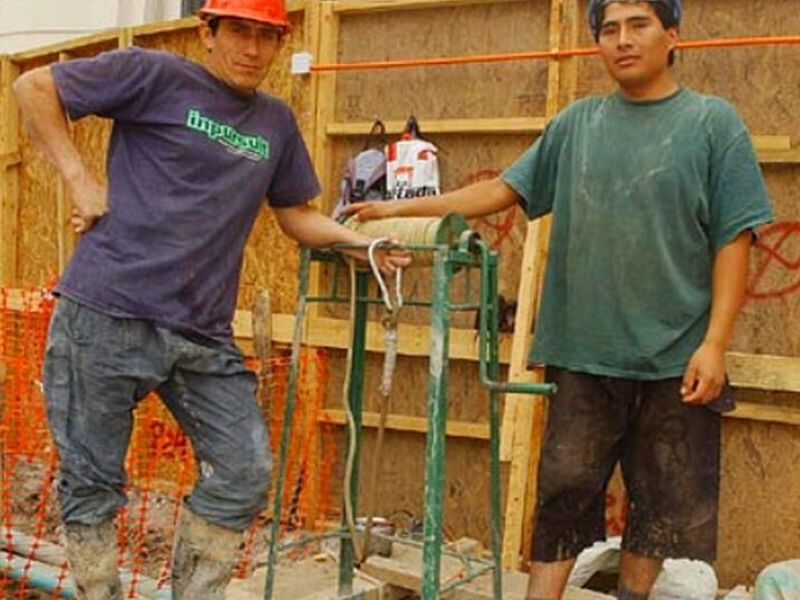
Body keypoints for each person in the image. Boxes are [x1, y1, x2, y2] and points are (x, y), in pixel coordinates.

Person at [343, 1, 773, 598]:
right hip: (583, 354)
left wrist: (715, 344)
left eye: (639, 25)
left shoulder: (712, 124)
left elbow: (734, 239)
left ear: (673, 35)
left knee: (659, 508)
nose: (622, 40)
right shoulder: (577, 125)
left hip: (678, 360)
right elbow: (501, 190)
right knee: (562, 502)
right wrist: (395, 207)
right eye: (609, 29)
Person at [11, 0, 408, 598]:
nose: (252, 49)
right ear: (208, 32)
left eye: (267, 37)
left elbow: (296, 215)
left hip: (201, 332)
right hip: (105, 313)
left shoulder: (275, 124)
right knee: (92, 485)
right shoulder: (154, 74)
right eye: (239, 31)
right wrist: (78, 178)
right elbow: (34, 86)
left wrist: (363, 245)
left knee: (244, 471)